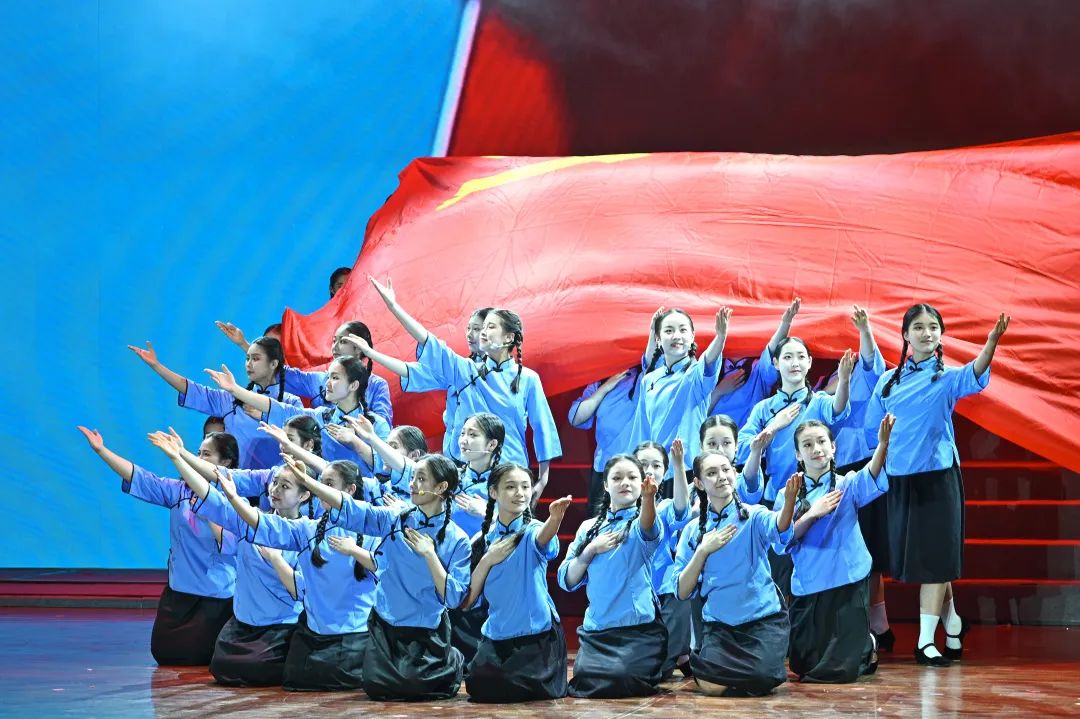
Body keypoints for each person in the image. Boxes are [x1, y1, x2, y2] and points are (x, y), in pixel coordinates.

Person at [865, 305, 1009, 666]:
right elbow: (872, 434)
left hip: (939, 478)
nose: (926, 333)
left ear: (940, 335)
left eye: (933, 327)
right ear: (905, 335)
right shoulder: (887, 382)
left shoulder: (946, 377)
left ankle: (926, 641)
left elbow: (976, 372)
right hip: (899, 480)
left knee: (937, 559)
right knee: (925, 560)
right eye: (918, 327)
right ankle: (953, 622)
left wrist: (991, 343)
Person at [356, 276, 561, 499]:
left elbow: (543, 427)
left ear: (509, 337)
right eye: (481, 327)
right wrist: (394, 307)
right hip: (469, 472)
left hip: (512, 472)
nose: (482, 332)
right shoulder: (466, 371)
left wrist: (543, 478)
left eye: (490, 327)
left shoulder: (528, 379)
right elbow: (429, 343)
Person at [302, 454, 473, 701]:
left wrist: (430, 555)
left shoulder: (458, 539)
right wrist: (308, 481)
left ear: (441, 487)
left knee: (418, 688)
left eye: (421, 479)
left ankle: (451, 659)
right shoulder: (395, 519)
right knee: (377, 687)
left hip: (425, 628)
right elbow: (353, 509)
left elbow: (454, 598)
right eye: (412, 477)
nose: (412, 484)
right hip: (386, 623)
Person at [147, 431, 308, 686]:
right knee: (223, 666)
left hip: (281, 624)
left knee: (257, 669)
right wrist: (178, 457)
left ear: (304, 495)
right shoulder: (255, 522)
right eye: (274, 483)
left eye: (285, 486)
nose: (275, 490)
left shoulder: (307, 533)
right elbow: (210, 496)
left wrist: (277, 560)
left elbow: (301, 590)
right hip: (245, 623)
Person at [76, 426, 236, 666]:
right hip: (180, 590)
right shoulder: (179, 491)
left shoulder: (233, 499)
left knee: (203, 657)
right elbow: (140, 477)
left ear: (225, 462)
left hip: (215, 593)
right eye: (198, 452)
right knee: (165, 653)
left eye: (206, 454)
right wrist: (102, 450)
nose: (198, 458)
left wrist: (210, 506)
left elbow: (231, 544)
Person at [774, 415, 895, 682]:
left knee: (839, 670)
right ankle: (864, 643)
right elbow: (782, 542)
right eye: (807, 445)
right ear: (798, 454)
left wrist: (882, 445)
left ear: (833, 447)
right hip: (809, 582)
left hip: (847, 578)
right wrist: (811, 514)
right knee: (802, 664)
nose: (816, 449)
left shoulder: (846, 483)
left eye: (821, 442)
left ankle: (864, 643)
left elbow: (871, 474)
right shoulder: (787, 494)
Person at [673, 451, 799, 696]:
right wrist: (702, 551)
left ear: (734, 472)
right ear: (699, 483)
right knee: (710, 685)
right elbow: (682, 591)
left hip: (761, 619)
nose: (721, 476)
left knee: (762, 677)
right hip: (720, 625)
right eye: (711, 473)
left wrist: (790, 502)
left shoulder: (754, 515)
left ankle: (739, 678)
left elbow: (780, 528)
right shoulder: (692, 531)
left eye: (725, 469)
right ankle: (731, 678)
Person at [557, 455, 666, 698]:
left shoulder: (640, 523)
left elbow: (648, 526)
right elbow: (567, 579)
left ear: (641, 483)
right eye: (617, 478)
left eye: (632, 477)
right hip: (598, 630)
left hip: (636, 631)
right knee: (585, 679)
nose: (625, 482)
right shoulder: (588, 528)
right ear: (606, 485)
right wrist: (590, 550)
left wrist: (648, 499)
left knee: (620, 678)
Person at [463, 464, 573, 702]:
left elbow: (543, 537)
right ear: (493, 492)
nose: (520, 493)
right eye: (511, 487)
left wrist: (555, 519)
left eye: (525, 487)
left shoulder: (532, 530)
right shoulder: (484, 539)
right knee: (479, 684)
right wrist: (488, 559)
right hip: (497, 632)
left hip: (536, 633)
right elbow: (468, 600)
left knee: (514, 688)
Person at [129, 336, 302, 469]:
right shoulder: (232, 400)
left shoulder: (291, 403)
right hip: (236, 487)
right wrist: (156, 365)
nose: (248, 364)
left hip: (275, 489)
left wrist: (264, 415)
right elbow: (191, 389)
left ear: (273, 364)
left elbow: (301, 445)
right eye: (247, 358)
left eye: (255, 359)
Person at [215, 319, 393, 424]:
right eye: (334, 341)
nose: (335, 347)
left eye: (343, 342)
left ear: (359, 348)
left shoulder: (377, 385)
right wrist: (244, 344)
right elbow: (278, 371)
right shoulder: (320, 381)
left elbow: (382, 424)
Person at [641, 307, 732, 475]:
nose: (676, 336)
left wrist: (720, 337)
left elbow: (708, 359)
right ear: (658, 339)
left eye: (683, 330)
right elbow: (643, 430)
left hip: (690, 470)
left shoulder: (695, 375)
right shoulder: (649, 380)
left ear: (692, 337)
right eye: (669, 331)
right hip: (657, 473)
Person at [707, 298, 801, 427]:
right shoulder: (712, 366)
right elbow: (695, 412)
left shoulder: (757, 368)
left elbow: (772, 350)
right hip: (715, 436)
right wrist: (718, 391)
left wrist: (786, 323)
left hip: (748, 437)